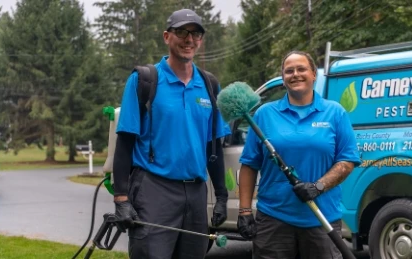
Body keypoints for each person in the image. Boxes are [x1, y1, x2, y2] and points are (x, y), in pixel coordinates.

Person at [111, 8, 231, 259]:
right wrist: (121, 198)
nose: (189, 39)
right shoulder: (144, 80)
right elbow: (125, 142)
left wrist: (221, 195)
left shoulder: (209, 85)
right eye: (182, 32)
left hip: (196, 192)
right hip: (154, 189)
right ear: (167, 36)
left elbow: (214, 147)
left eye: (196, 34)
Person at [236, 50, 361, 259]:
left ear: (314, 74)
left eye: (301, 69)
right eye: (289, 71)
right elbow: (249, 165)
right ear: (283, 79)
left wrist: (317, 187)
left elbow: (347, 161)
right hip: (273, 220)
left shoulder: (335, 112)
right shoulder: (264, 114)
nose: (295, 74)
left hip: (322, 219)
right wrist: (244, 211)